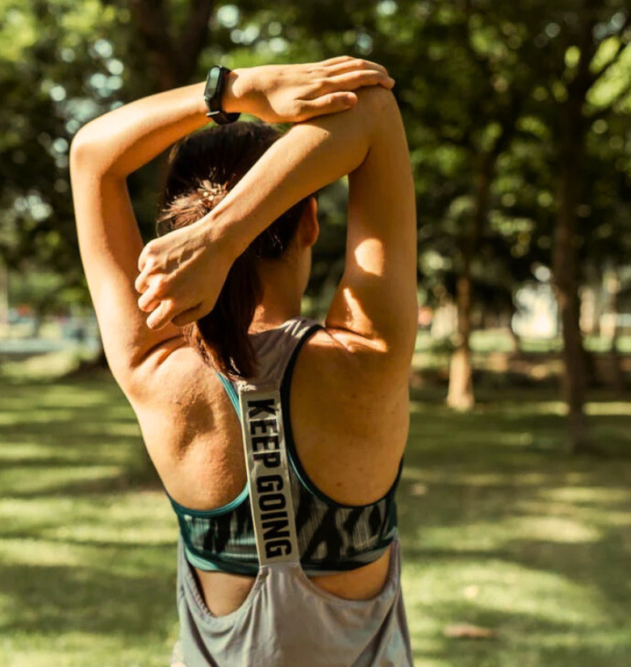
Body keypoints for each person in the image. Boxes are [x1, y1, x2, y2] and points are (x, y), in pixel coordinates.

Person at [69, 57, 417, 666]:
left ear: (171, 231)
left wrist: (236, 89)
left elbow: (91, 155)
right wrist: (224, 238)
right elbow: (376, 111)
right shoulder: (369, 354)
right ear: (310, 220)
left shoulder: (153, 366)